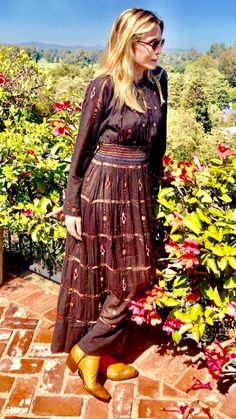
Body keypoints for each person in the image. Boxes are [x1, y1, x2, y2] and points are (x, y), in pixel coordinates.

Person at [51, 7, 168, 403]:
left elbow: (158, 148)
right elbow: (81, 149)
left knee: (134, 276)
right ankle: (93, 356)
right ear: (128, 41)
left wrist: (153, 193)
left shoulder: (159, 83)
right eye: (151, 43)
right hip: (102, 185)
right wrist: (72, 207)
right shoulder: (103, 85)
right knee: (103, 273)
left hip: (137, 188)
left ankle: (90, 350)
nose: (158, 50)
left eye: (160, 42)